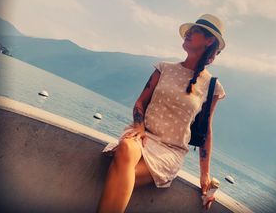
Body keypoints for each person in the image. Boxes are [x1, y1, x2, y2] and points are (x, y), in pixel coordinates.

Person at [97, 14, 227, 212]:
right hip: (143, 135)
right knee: (125, 147)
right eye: (189, 30)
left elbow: (206, 131)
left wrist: (204, 175)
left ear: (209, 40)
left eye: (196, 31)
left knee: (118, 173)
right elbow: (140, 102)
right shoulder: (164, 68)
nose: (189, 33)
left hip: (170, 150)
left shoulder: (212, 87)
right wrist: (139, 126)